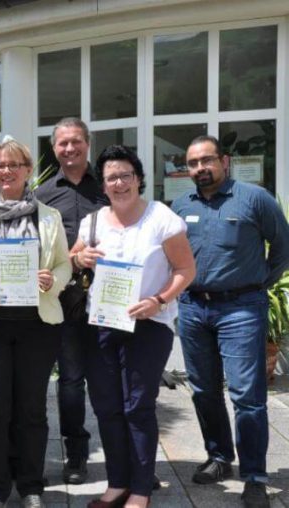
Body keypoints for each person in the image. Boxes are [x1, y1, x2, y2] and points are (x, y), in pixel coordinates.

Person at [71, 145, 195, 508]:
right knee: (107, 406)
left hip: (149, 324)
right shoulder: (93, 222)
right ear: (103, 185)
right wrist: (79, 257)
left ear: (138, 178)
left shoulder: (161, 218)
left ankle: (140, 491)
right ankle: (117, 483)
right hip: (103, 324)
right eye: (111, 177)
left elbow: (186, 269)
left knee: (138, 407)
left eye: (126, 175)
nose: (119, 183)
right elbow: (71, 259)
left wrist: (159, 299)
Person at [172, 135, 289, 508]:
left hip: (241, 309)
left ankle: (254, 476)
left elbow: (283, 247)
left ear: (225, 161)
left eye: (207, 160)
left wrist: (258, 284)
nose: (200, 168)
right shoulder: (180, 205)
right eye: (193, 163)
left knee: (246, 396)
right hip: (193, 308)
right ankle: (219, 456)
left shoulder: (254, 198)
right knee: (203, 390)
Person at [0, 137, 71, 508]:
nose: (7, 171)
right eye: (1, 165)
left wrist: (53, 280)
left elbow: (64, 264)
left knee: (31, 409)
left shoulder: (48, 217)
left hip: (37, 325)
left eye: (14, 165)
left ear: (28, 171)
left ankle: (31, 486)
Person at [34, 117, 108, 484]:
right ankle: (76, 454)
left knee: (113, 380)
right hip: (65, 300)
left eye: (76, 141)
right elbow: (35, 250)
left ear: (87, 143)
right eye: (62, 143)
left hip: (109, 298)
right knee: (71, 380)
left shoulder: (109, 187)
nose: (69, 148)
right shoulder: (42, 195)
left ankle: (126, 454)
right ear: (54, 148)